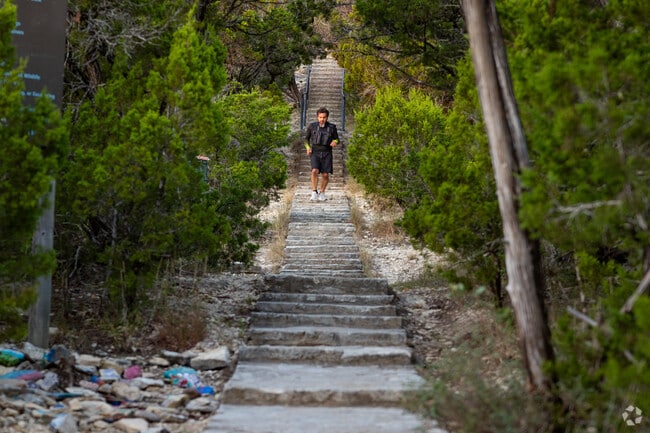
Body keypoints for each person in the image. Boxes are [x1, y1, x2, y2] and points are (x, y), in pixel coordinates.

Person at [303, 107, 339, 201]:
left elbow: (337, 139)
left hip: (327, 152)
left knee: (325, 175)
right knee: (314, 170)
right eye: (320, 117)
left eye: (324, 117)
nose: (322, 119)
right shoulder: (312, 126)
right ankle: (314, 192)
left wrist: (335, 142)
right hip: (315, 152)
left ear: (327, 117)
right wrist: (308, 148)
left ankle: (322, 192)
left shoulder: (332, 127)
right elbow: (306, 139)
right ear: (317, 117)